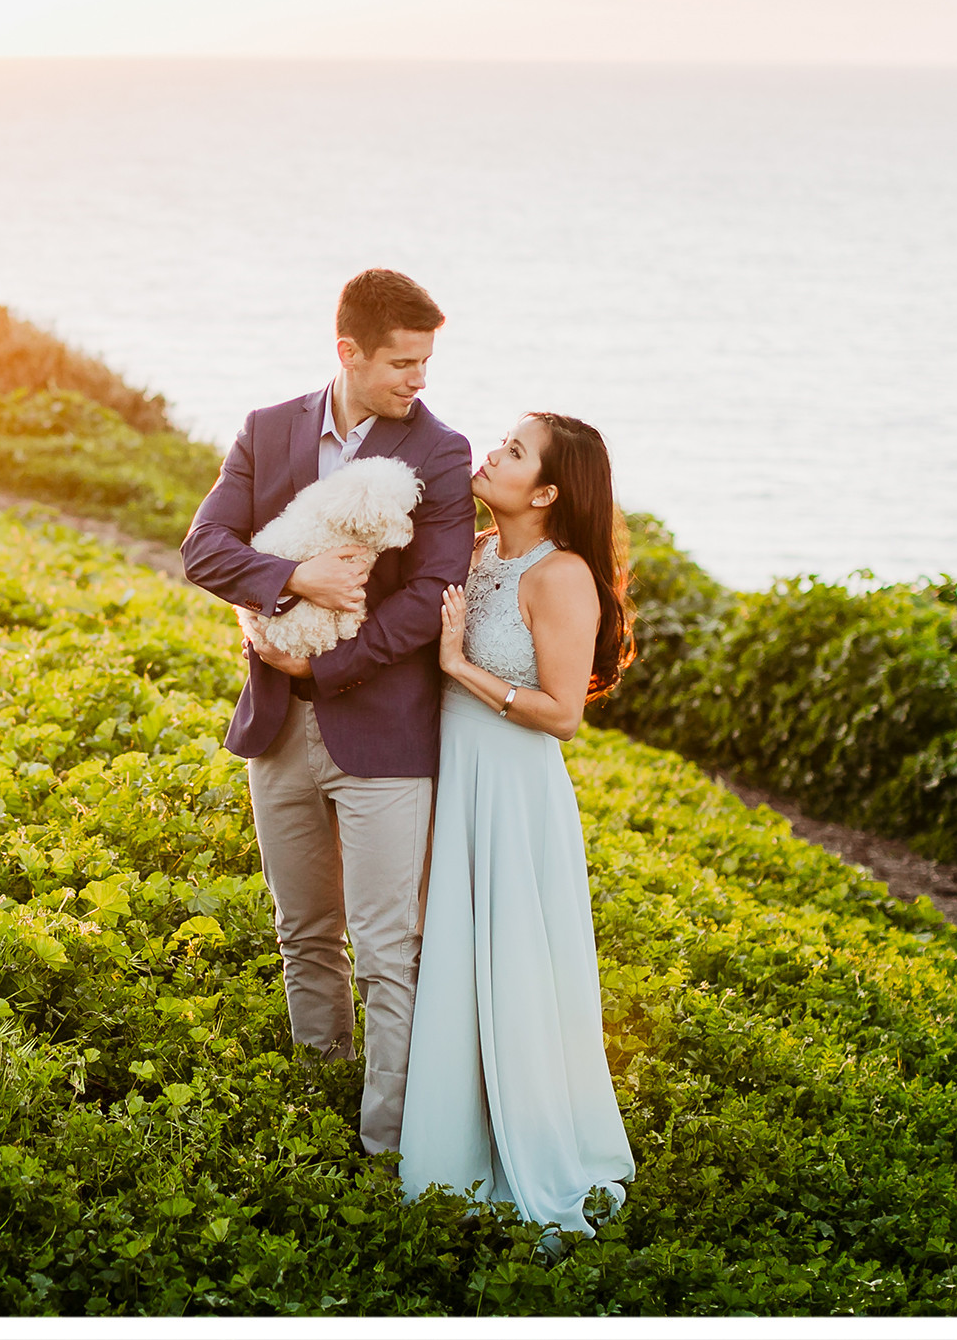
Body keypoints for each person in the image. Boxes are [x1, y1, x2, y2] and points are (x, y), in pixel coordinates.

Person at [180, 268, 476, 1156]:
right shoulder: (268, 431)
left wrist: (326, 659)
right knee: (303, 934)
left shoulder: (441, 451)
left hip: (384, 737)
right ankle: (317, 1115)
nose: (418, 379)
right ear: (348, 352)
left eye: (426, 361)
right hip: (277, 731)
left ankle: (391, 1146)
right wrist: (292, 581)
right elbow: (205, 549)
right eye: (401, 362)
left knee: (390, 953)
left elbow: (432, 595)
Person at [397, 410, 639, 1233]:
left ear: (545, 490)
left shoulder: (560, 574)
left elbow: (563, 714)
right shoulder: (474, 551)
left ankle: (530, 1149)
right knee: (451, 959)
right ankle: (447, 1148)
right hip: (454, 776)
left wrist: (460, 665)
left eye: (512, 451)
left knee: (512, 966)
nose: (490, 452)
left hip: (512, 791)